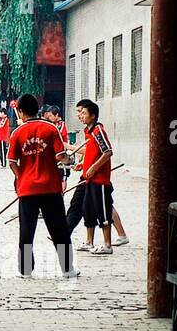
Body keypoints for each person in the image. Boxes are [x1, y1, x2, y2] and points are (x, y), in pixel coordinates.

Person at [7, 93, 76, 278]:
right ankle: (68, 269)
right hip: (50, 188)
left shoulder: (17, 133)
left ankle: (25, 270)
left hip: (27, 189)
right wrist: (68, 159)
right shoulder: (51, 129)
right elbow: (61, 156)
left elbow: (12, 162)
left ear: (20, 112)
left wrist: (21, 176)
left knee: (26, 231)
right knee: (59, 230)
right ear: (37, 109)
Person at [64, 98, 118, 254]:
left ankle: (107, 245)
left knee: (103, 211)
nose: (80, 115)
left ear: (93, 116)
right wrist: (84, 164)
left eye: (83, 112)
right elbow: (92, 153)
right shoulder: (89, 132)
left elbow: (107, 151)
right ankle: (89, 242)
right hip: (88, 179)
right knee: (88, 210)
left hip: (99, 180)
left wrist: (93, 167)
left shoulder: (98, 130)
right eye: (80, 112)